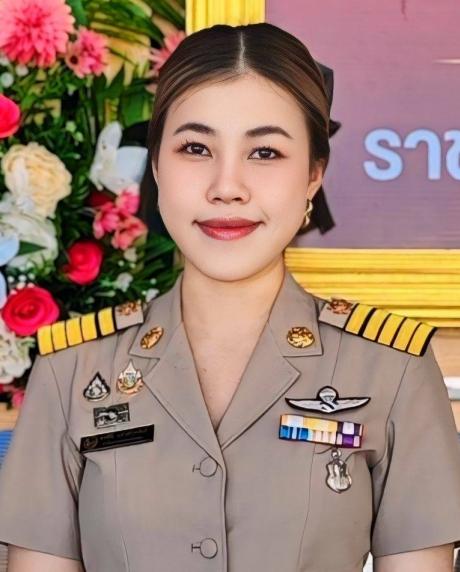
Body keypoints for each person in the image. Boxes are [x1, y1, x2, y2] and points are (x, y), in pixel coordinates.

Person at [0, 22, 459, 572]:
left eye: (265, 152)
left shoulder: (391, 369)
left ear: (314, 175)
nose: (227, 186)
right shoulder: (72, 370)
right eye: (196, 148)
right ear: (157, 166)